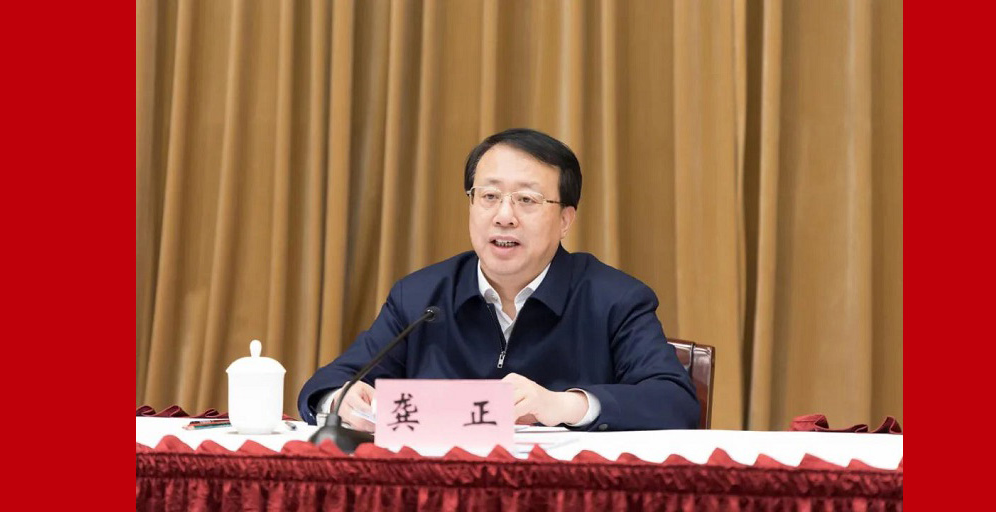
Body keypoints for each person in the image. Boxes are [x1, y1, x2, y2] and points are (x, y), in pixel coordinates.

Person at [298, 128, 699, 431]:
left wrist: (564, 405)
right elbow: (330, 382)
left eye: (526, 200)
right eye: (489, 196)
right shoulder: (421, 297)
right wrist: (340, 400)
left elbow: (674, 402)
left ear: (565, 220)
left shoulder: (614, 299)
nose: (504, 216)